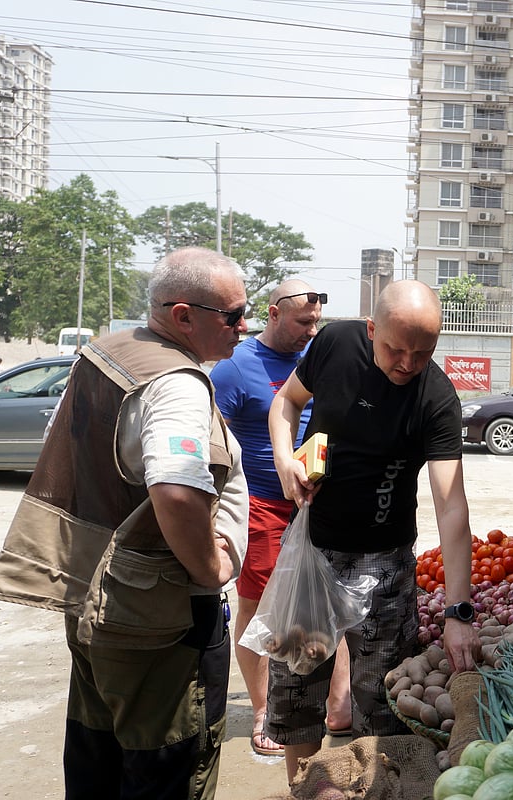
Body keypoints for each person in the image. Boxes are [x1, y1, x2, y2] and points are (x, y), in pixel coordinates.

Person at [0, 246, 251, 799]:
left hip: (92, 596)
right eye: (232, 315)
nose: (242, 328)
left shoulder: (105, 353)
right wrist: (210, 565)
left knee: (96, 749)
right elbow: (177, 491)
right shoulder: (176, 383)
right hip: (157, 615)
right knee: (167, 760)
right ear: (183, 316)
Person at [266, 279, 480, 782]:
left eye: (422, 353)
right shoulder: (336, 344)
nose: (407, 363)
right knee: (298, 689)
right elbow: (285, 404)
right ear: (370, 330)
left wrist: (458, 610)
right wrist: (283, 459)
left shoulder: (436, 398)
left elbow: (451, 507)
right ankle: (306, 791)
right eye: (395, 349)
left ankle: (371, 788)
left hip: (384, 562)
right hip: (312, 548)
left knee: (379, 700)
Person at [209, 280, 352, 758]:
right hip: (263, 505)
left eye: (316, 323)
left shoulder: (318, 357)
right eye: (303, 322)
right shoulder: (236, 368)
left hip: (318, 504)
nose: (312, 331)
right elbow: (214, 439)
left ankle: (337, 701)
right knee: (259, 607)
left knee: (330, 602)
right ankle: (265, 708)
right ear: (273, 314)